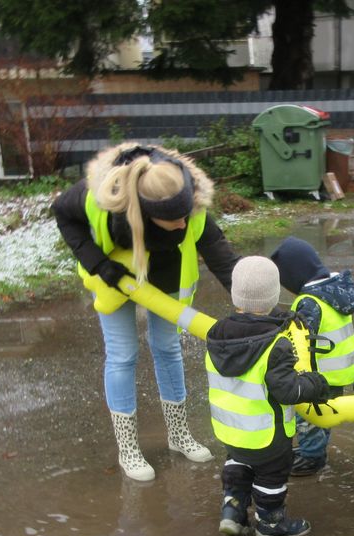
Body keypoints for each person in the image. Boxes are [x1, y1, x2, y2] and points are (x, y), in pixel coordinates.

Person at [51, 142, 240, 481]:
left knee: (168, 349)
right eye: (175, 218)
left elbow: (217, 251)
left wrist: (247, 303)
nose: (184, 222)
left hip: (165, 270)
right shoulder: (101, 199)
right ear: (147, 212)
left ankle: (178, 435)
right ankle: (128, 448)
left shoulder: (188, 199)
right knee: (123, 355)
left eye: (187, 214)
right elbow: (63, 214)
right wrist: (98, 265)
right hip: (118, 274)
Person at [204, 256, 337, 536]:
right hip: (267, 435)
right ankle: (270, 522)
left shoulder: (217, 337)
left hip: (230, 430)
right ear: (275, 295)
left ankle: (233, 508)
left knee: (237, 462)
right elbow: (288, 391)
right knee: (271, 475)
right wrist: (315, 383)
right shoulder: (277, 345)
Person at [270, 237, 354, 476]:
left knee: (309, 415)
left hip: (318, 374)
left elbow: (299, 339)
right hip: (339, 372)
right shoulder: (335, 292)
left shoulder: (309, 301)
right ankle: (315, 450)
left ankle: (312, 457)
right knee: (323, 413)